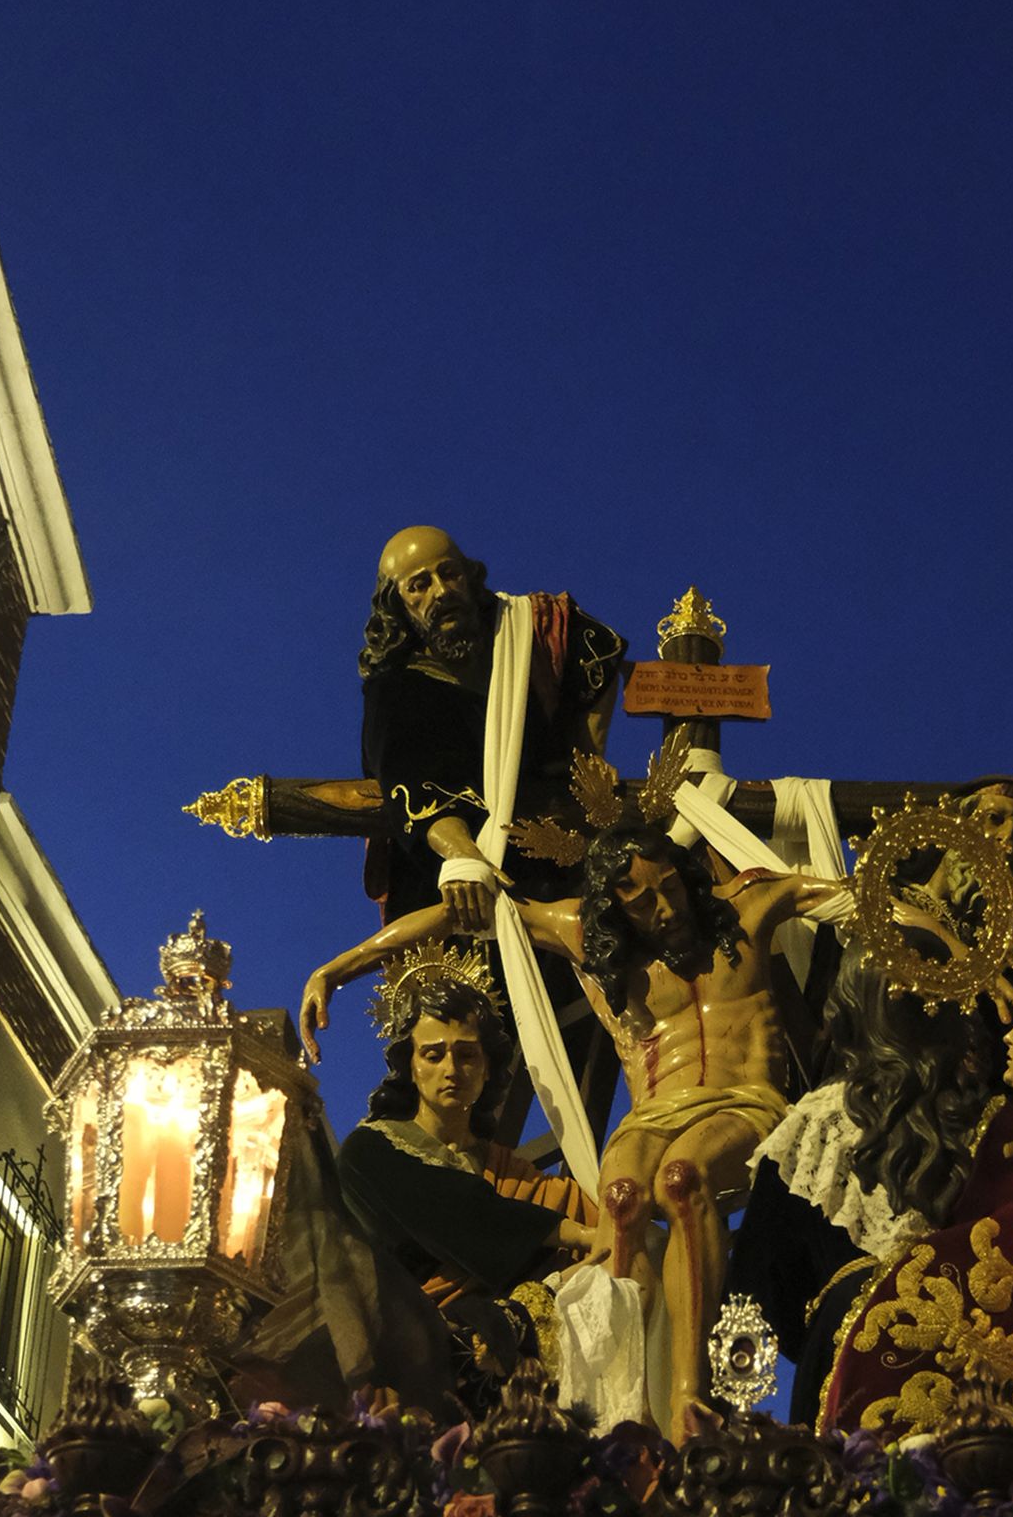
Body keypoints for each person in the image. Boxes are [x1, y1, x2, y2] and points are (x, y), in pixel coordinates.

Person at [302, 812, 851, 1441]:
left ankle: (687, 1396)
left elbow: (847, 897)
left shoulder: (746, 908)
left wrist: (945, 943)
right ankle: (627, 1408)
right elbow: (465, 911)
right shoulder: (588, 940)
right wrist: (336, 969)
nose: (665, 909)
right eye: (640, 902)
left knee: (681, 1178)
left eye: (670, 887)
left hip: (741, 1098)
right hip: (653, 1110)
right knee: (620, 1206)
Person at [726, 946, 1013, 1433]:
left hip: (847, 1369)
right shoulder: (998, 1123)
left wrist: (837, 1311)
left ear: (851, 1012)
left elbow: (756, 1297)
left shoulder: (812, 1131)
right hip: (992, 1407)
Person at [335, 956, 605, 1400]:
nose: (450, 1069)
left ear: (487, 1067)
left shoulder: (510, 1171)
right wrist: (579, 1234)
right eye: (433, 1053)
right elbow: (457, 1214)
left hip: (516, 1366)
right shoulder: (370, 1152)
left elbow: (592, 1222)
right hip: (417, 1361)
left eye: (466, 1054)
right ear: (409, 1064)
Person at [358, 526, 626, 931]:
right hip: (451, 889)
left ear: (469, 575)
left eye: (449, 573)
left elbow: (598, 650)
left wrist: (587, 755)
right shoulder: (396, 691)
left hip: (553, 875)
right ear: (397, 605)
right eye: (419, 585)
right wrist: (463, 855)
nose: (441, 591)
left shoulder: (523, 636)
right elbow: (411, 784)